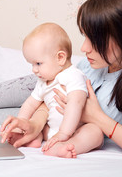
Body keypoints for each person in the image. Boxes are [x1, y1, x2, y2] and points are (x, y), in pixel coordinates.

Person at [0, 0, 122, 167]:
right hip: (44, 96)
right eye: (84, 36)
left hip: (67, 126)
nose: (84, 48)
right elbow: (50, 96)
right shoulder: (91, 65)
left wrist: (97, 117)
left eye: (94, 39)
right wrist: (34, 125)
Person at [13, 22, 103, 158]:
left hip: (75, 130)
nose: (34, 70)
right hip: (52, 130)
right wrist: (20, 124)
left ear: (60, 58)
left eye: (38, 63)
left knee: (95, 132)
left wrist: (64, 133)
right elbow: (30, 104)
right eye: (31, 64)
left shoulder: (73, 75)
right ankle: (35, 139)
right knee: (39, 124)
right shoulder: (43, 82)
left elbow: (76, 104)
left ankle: (69, 146)